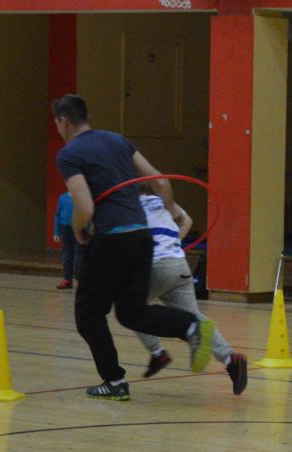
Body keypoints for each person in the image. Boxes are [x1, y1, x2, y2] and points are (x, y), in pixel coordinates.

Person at [53, 93, 215, 400]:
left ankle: (114, 382)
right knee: (132, 312)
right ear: (86, 117)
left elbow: (84, 207)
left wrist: (77, 229)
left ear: (63, 121)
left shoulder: (69, 154)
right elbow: (161, 181)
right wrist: (171, 213)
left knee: (88, 314)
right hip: (141, 236)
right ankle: (191, 327)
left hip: (111, 237)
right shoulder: (118, 140)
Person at [134, 185, 248, 395]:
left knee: (132, 308)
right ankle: (231, 360)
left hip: (156, 265)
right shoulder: (161, 202)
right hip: (178, 263)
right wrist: (172, 245)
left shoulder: (127, 206)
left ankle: (158, 353)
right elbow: (187, 221)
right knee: (195, 315)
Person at [53, 191, 83, 289]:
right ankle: (67, 279)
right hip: (65, 228)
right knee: (67, 255)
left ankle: (79, 279)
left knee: (79, 255)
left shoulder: (82, 196)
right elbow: (58, 215)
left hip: (78, 227)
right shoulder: (63, 197)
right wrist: (56, 232)